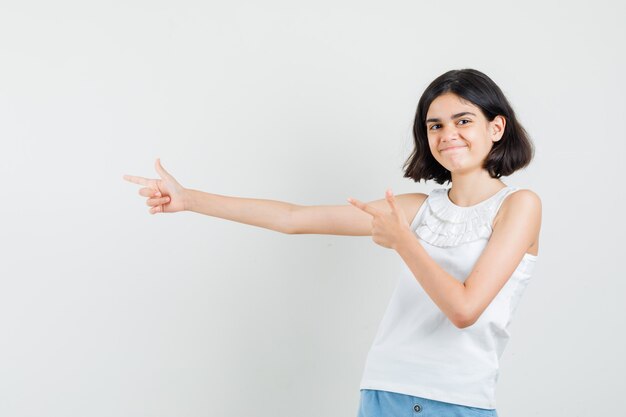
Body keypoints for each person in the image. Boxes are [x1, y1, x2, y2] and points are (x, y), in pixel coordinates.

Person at [123, 68, 542, 417]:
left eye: (463, 120)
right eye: (436, 125)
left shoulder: (519, 205)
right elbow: (294, 219)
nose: (448, 133)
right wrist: (189, 199)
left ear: (497, 126)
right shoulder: (418, 208)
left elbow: (465, 310)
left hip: (456, 399)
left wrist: (402, 241)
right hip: (383, 390)